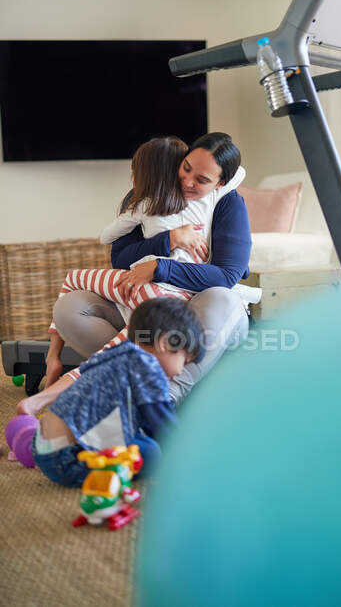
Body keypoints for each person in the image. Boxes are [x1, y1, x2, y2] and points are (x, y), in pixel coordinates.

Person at [17, 132, 255, 416]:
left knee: (221, 298)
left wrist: (160, 266)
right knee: (70, 306)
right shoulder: (149, 194)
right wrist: (167, 240)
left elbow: (227, 275)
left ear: (221, 183)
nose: (188, 182)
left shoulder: (228, 203)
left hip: (201, 309)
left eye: (202, 180)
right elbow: (119, 257)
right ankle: (138, 379)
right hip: (144, 301)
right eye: (187, 168)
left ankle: (166, 395)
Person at [32, 298, 204, 488]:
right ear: (165, 343)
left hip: (40, 447)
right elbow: (163, 424)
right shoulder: (149, 367)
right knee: (151, 452)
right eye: (184, 360)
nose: (180, 372)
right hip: (68, 459)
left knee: (141, 431)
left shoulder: (117, 353)